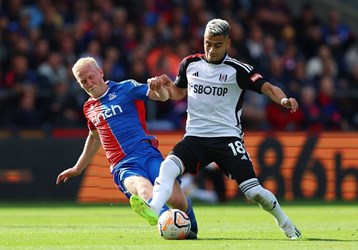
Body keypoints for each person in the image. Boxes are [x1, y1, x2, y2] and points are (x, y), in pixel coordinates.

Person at [130, 18, 302, 240]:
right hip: (195, 137)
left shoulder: (238, 70)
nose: (211, 49)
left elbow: (267, 87)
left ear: (228, 43)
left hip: (227, 139)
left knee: (254, 193)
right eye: (207, 43)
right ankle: (154, 208)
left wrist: (284, 100)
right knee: (167, 167)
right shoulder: (190, 64)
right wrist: (166, 86)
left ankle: (285, 223)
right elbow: (178, 93)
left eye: (217, 45)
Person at [55, 57, 198, 239]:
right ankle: (164, 218)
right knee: (143, 188)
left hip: (147, 154)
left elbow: (162, 97)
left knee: (176, 198)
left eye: (91, 77)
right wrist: (77, 168)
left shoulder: (126, 88)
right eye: (83, 81)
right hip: (122, 166)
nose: (89, 83)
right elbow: (94, 137)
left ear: (100, 72)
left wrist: (158, 87)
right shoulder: (88, 108)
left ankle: (189, 225)